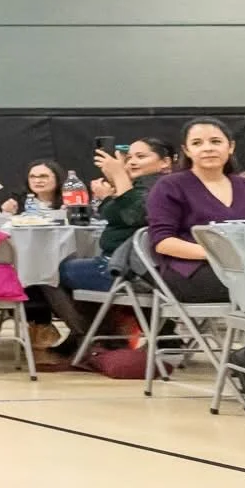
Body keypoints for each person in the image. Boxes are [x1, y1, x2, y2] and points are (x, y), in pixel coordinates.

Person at [40, 137, 175, 354]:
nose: (132, 162)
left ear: (165, 162)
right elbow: (114, 213)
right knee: (73, 270)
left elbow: (135, 216)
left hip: (128, 269)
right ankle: (105, 333)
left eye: (141, 157)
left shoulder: (158, 187)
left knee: (48, 273)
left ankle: (88, 336)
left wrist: (119, 177)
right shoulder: (140, 185)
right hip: (130, 265)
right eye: (129, 157)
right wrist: (112, 191)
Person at [145, 118, 245, 304]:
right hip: (192, 270)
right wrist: (223, 255)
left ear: (231, 146)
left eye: (216, 142)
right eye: (197, 143)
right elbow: (163, 242)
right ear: (186, 150)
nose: (208, 148)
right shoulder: (169, 186)